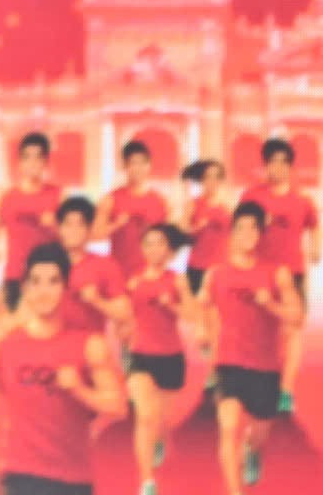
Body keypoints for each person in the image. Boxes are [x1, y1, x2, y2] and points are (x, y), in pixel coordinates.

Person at [0, 243, 125, 495]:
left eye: (53, 282)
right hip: (18, 472)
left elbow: (118, 406)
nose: (43, 291)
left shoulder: (89, 345)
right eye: (36, 282)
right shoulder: (3, 346)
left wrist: (79, 389)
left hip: (72, 477)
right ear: (24, 288)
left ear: (65, 288)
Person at [199, 200, 301, 495]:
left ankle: (253, 450)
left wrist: (270, 304)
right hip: (229, 363)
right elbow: (201, 305)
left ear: (259, 236)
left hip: (265, 368)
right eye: (240, 229)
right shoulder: (216, 273)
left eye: (253, 229)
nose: (246, 234)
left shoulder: (276, 274)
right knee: (228, 425)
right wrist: (202, 329)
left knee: (258, 431)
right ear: (232, 234)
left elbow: (296, 316)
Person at [241, 137, 317, 413]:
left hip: (293, 274)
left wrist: (316, 248)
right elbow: (240, 231)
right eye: (273, 162)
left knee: (292, 332)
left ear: (291, 166)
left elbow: (313, 223)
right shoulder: (252, 197)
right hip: (259, 273)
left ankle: (285, 391)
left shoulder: (301, 199)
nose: (279, 167)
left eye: (284, 162)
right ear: (265, 166)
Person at [125, 224, 194, 495]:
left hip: (171, 358)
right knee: (145, 415)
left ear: (168, 250)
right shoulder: (133, 281)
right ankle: (147, 481)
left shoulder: (177, 280)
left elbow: (191, 314)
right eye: (149, 243)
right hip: (141, 356)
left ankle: (160, 441)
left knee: (162, 421)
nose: (154, 249)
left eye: (160, 244)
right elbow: (125, 315)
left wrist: (173, 305)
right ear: (143, 249)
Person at [0, 132, 61, 311]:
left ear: (45, 163)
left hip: (48, 277)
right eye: (27, 158)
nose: (32, 163)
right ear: (20, 163)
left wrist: (53, 226)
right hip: (15, 275)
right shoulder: (7, 197)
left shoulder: (58, 195)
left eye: (38, 158)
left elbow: (73, 237)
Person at [53, 196, 130, 335]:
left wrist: (97, 301)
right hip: (50, 349)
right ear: (59, 229)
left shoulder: (105, 265)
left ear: (89, 230)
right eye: (68, 224)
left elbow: (124, 313)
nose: (73, 230)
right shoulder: (45, 262)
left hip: (89, 349)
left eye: (80, 224)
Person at [99, 140, 170, 278]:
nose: (138, 168)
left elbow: (168, 244)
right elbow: (94, 235)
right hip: (119, 273)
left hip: (150, 276)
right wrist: (116, 225)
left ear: (149, 166)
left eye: (143, 163)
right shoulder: (111, 199)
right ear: (125, 166)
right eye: (133, 163)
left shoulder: (160, 201)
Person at [180, 158, 232, 296]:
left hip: (221, 266)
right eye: (208, 177)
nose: (212, 181)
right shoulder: (193, 204)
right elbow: (182, 235)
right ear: (202, 180)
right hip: (198, 266)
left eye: (216, 177)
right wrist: (198, 227)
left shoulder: (227, 206)